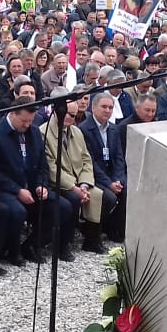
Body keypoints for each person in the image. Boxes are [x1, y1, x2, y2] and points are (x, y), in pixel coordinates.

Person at [0, 96, 68, 272]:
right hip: (3, 189)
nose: (27, 125)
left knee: (62, 206)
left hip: (31, 187)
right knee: (17, 211)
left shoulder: (33, 132)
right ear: (12, 114)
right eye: (24, 121)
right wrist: (17, 190)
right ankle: (7, 252)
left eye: (30, 121)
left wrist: (41, 185)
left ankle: (31, 244)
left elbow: (42, 165)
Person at [41, 95, 103, 257]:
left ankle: (91, 239)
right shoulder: (44, 132)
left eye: (74, 116)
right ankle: (63, 244)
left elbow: (86, 159)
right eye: (69, 114)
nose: (71, 118)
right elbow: (51, 168)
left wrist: (84, 184)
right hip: (58, 183)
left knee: (104, 196)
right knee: (72, 200)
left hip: (79, 180)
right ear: (57, 111)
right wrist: (74, 188)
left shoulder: (76, 131)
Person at [77, 93, 127, 242]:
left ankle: (114, 230)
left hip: (111, 175)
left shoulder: (114, 129)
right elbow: (90, 161)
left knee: (125, 191)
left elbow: (119, 158)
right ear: (93, 108)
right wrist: (109, 183)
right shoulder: (84, 129)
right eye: (104, 107)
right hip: (94, 176)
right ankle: (91, 234)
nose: (107, 110)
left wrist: (118, 180)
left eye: (110, 107)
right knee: (108, 197)